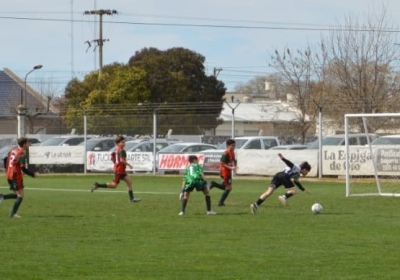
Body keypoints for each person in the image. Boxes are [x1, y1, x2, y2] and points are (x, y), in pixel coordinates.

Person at [91, 136, 141, 203]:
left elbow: (112, 158)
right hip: (119, 171)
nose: (124, 143)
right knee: (114, 185)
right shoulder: (122, 151)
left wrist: (116, 165)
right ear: (118, 143)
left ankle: (132, 199)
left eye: (124, 142)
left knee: (129, 181)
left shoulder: (117, 149)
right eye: (122, 142)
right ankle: (98, 185)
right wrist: (129, 165)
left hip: (120, 170)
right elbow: (121, 160)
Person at [0, 137, 38, 218]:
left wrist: (8, 170)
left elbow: (5, 159)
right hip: (15, 176)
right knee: (20, 196)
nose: (29, 144)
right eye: (28, 143)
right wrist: (33, 175)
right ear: (24, 144)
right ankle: (13, 214)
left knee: (16, 195)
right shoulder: (21, 153)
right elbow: (23, 169)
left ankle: (2, 197)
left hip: (9, 175)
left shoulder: (13, 150)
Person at [210, 139, 238, 206]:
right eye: (232, 146)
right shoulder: (226, 153)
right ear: (228, 146)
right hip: (224, 172)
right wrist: (231, 167)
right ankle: (220, 202)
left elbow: (233, 161)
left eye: (234, 145)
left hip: (228, 172)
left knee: (226, 187)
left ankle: (214, 184)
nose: (234, 147)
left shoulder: (232, 152)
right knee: (228, 188)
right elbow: (222, 163)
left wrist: (234, 166)